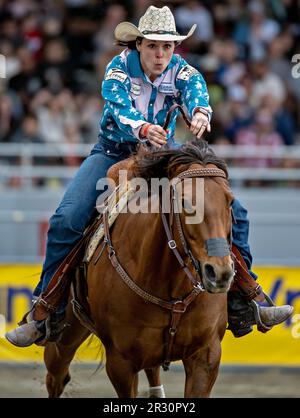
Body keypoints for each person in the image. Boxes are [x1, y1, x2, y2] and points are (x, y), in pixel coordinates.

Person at [5, 6, 293, 347]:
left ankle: (245, 298)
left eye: (167, 47)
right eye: (153, 46)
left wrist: (201, 113)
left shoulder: (182, 71)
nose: (160, 54)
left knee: (233, 212)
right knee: (67, 219)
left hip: (163, 157)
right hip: (112, 153)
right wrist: (143, 128)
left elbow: (197, 92)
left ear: (174, 48)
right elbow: (120, 109)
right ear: (138, 44)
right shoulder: (117, 70)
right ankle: (45, 310)